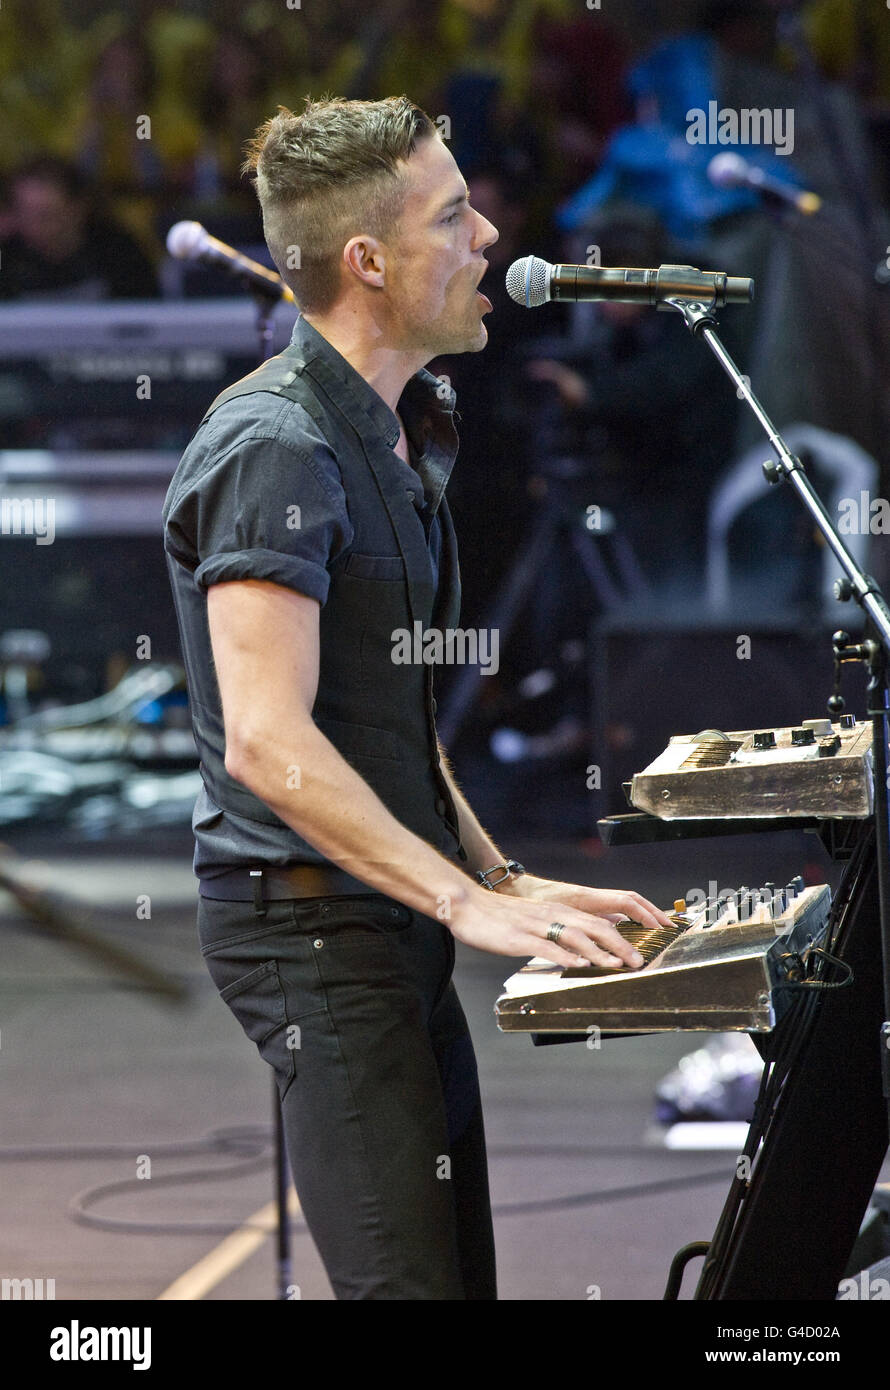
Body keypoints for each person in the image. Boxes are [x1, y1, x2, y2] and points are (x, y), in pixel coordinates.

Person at [162, 94, 671, 1301]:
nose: (489, 232)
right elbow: (268, 739)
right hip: (312, 938)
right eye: (452, 214)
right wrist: (460, 897)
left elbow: (389, 723)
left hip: (382, 921)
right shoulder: (275, 448)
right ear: (367, 263)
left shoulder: (401, 429)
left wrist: (496, 878)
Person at [0, 157, 159, 301]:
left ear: (77, 209)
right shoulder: (7, 256)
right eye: (24, 215)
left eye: (46, 215)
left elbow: (145, 316)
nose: (33, 227)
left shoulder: (117, 252)